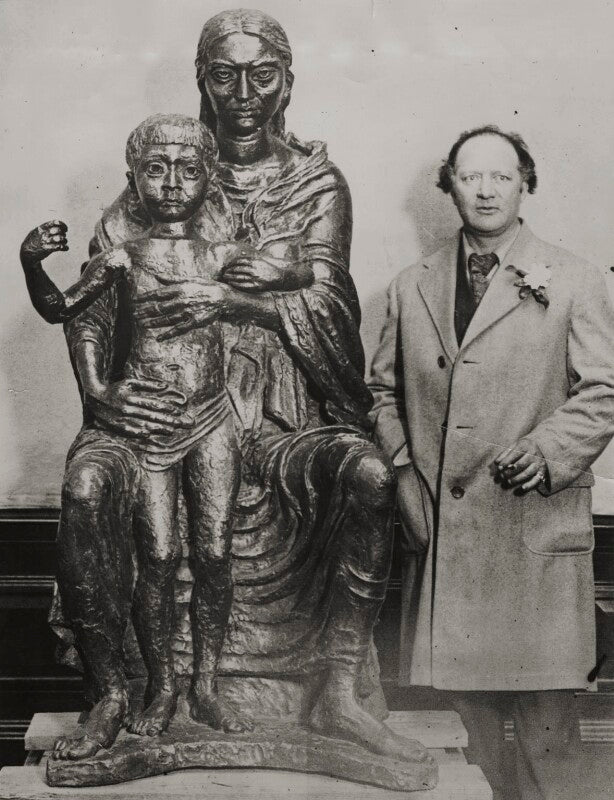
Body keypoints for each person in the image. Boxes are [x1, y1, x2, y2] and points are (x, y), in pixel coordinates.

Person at [46, 8, 425, 766]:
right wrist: (100, 396)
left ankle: (338, 692)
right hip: (156, 413)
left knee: (370, 477)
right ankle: (119, 692)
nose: (244, 92)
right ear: (201, 81)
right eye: (224, 74)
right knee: (89, 488)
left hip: (285, 411)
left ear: (289, 80)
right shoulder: (163, 169)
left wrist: (237, 302)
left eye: (263, 74)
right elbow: (90, 308)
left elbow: (335, 308)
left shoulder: (315, 184)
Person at [20, 114, 309, 739]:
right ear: (133, 179)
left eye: (188, 169)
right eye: (156, 169)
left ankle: (206, 685)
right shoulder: (120, 258)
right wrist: (29, 262)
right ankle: (162, 686)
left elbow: (300, 280)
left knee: (213, 551)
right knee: (158, 555)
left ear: (209, 178)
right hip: (151, 426)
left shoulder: (225, 255)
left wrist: (266, 279)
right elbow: (61, 309)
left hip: (211, 421)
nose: (173, 183)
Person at [368, 124, 614, 798]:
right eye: (470, 176)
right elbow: (379, 392)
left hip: (532, 539)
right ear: (449, 185)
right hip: (446, 549)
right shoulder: (408, 286)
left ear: (525, 183)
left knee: (548, 743)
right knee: (467, 743)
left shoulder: (573, 278)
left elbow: (605, 389)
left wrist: (548, 448)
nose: (484, 189)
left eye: (500, 176)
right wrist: (400, 472)